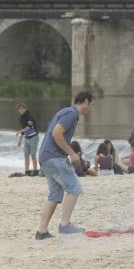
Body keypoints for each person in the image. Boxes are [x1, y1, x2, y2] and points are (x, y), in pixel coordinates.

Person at [35, 91, 95, 240]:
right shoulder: (71, 114)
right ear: (86, 102)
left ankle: (41, 231)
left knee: (55, 195)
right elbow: (56, 134)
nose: (91, 108)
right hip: (54, 157)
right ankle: (65, 225)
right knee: (74, 188)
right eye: (91, 105)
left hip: (45, 157)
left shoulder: (66, 112)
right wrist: (72, 154)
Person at [15, 103, 39, 176]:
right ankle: (27, 171)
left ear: (25, 109)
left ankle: (35, 170)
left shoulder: (29, 116)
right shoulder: (21, 118)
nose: (21, 110)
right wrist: (20, 140)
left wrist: (20, 131)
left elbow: (29, 127)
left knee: (33, 155)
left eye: (22, 108)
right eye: (19, 109)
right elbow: (24, 130)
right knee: (26, 155)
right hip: (27, 138)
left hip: (34, 137)